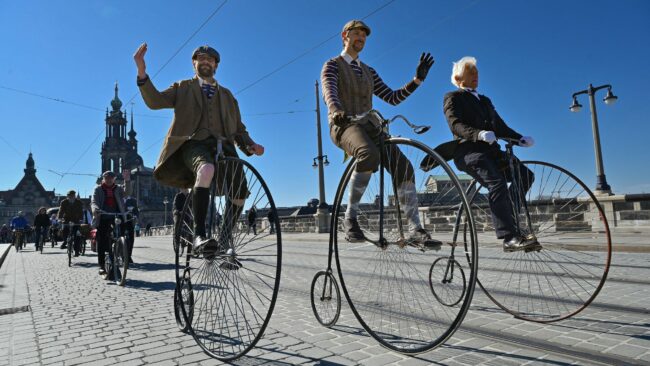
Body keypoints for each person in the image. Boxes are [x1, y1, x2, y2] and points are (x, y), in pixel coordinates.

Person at [134, 43, 264, 259]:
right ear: (194, 63)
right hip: (193, 144)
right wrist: (141, 72)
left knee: (241, 191)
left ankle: (224, 237)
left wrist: (250, 145)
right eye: (201, 59)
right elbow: (155, 101)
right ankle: (199, 235)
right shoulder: (183, 87)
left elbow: (239, 130)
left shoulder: (228, 96)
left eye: (210, 60)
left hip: (224, 147)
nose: (206, 62)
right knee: (205, 170)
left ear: (216, 65)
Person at [320, 20, 437, 246]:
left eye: (364, 35)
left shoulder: (368, 71)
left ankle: (415, 228)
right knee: (368, 154)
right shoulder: (332, 65)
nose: (361, 38)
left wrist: (417, 80)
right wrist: (336, 112)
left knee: (404, 166)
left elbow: (393, 98)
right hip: (344, 125)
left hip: (371, 126)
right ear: (345, 35)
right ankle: (350, 219)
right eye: (356, 34)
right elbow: (329, 91)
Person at [442, 56, 537, 252]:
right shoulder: (453, 97)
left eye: (476, 72)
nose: (475, 75)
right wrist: (478, 134)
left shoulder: (484, 100)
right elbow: (455, 125)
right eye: (470, 73)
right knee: (497, 183)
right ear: (459, 78)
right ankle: (508, 237)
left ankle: (510, 219)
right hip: (469, 153)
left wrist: (519, 138)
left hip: (492, 152)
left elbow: (499, 126)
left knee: (526, 175)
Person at [92, 171, 126, 276]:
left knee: (122, 235)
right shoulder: (98, 189)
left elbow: (128, 193)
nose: (109, 180)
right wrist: (96, 210)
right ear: (103, 179)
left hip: (116, 215)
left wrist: (128, 180)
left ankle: (120, 254)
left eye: (111, 178)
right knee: (102, 240)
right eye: (107, 178)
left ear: (114, 179)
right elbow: (94, 201)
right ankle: (102, 266)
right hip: (103, 216)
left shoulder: (118, 188)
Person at [58, 190, 84, 256]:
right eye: (69, 195)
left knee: (77, 236)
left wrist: (81, 219)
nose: (71, 197)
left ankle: (77, 250)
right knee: (64, 230)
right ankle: (65, 241)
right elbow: (61, 211)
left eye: (72, 195)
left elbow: (81, 211)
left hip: (76, 220)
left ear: (75, 196)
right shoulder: (64, 202)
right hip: (66, 219)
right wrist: (60, 218)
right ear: (67, 196)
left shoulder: (79, 202)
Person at [123, 195, 139, 264]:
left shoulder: (133, 200)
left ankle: (129, 256)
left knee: (131, 239)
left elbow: (136, 211)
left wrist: (136, 216)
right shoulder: (118, 197)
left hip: (129, 220)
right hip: (120, 221)